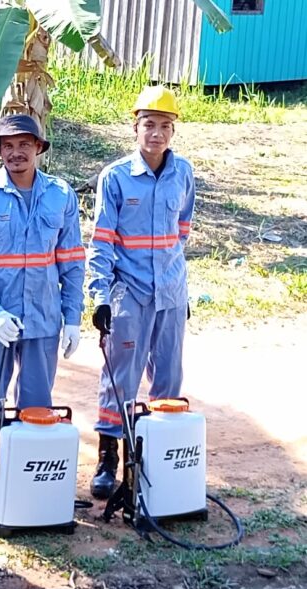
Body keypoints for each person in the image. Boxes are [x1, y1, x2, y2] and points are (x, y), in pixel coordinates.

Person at [0, 114, 85, 509]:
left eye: (24, 145)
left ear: (39, 149)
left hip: (43, 319)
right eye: (8, 146)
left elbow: (71, 260)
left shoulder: (61, 195)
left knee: (36, 403)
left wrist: (74, 315)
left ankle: (26, 477)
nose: (16, 153)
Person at [88, 86, 195, 499]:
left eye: (164, 126)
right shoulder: (115, 177)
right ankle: (109, 458)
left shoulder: (183, 173)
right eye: (149, 124)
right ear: (136, 128)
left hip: (170, 291)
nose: (156, 133)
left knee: (169, 374)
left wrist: (175, 284)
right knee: (121, 375)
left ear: (172, 131)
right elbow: (102, 241)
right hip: (128, 291)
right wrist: (101, 295)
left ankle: (158, 456)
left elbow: (180, 231)